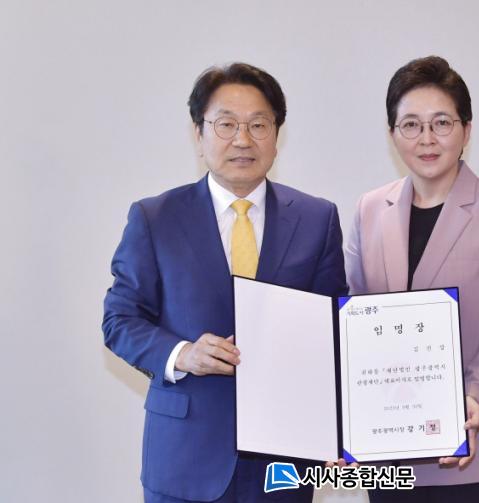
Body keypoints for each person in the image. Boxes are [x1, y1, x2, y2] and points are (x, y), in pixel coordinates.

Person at [103, 62, 347, 503]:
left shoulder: (317, 219)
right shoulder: (155, 218)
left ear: (277, 135)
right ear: (199, 134)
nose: (243, 139)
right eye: (226, 124)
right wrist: (183, 353)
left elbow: (334, 330)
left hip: (284, 460)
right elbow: (120, 320)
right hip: (185, 459)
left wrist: (340, 427)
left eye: (258, 124)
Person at [344, 56, 479, 502]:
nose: (426, 138)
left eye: (442, 123)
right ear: (392, 134)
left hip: (470, 438)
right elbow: (355, 313)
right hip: (387, 444)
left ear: (466, 131)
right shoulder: (369, 209)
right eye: (410, 125)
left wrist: (475, 397)